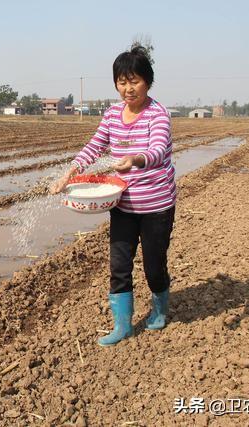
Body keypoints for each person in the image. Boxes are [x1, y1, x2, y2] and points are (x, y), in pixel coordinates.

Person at [50, 45, 176, 346]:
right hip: (123, 204)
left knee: (153, 265)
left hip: (156, 205)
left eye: (134, 81)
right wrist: (70, 172)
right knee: (119, 265)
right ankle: (122, 325)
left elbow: (157, 150)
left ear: (148, 82)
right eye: (122, 81)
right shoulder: (111, 115)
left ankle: (159, 310)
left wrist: (135, 160)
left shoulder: (158, 115)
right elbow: (95, 146)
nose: (128, 88)